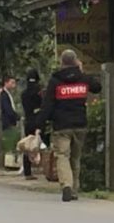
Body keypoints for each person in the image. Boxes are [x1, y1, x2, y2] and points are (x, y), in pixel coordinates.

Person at [36, 48, 102, 202]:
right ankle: (74, 190)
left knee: (62, 156)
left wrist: (39, 125)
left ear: (62, 62)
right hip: (80, 124)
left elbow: (47, 105)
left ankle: (67, 185)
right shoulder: (83, 78)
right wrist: (81, 71)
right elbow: (97, 87)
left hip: (61, 126)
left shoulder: (55, 81)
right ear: (76, 61)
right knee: (75, 158)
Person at [21, 69, 42, 179]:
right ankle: (45, 167)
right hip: (40, 120)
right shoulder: (40, 92)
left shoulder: (24, 94)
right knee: (43, 143)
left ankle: (27, 171)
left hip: (28, 120)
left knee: (28, 145)